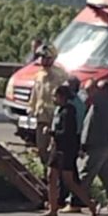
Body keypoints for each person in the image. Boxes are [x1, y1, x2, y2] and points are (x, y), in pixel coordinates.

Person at [40, 86, 96, 216]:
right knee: (51, 176)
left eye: (55, 96)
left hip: (67, 150)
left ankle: (90, 204)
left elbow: (67, 133)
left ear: (62, 96)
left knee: (69, 181)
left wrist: (50, 132)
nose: (54, 99)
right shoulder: (59, 110)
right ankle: (53, 209)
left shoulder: (69, 112)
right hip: (57, 148)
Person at [79, 80, 108, 210]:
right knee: (105, 174)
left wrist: (83, 144)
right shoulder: (107, 104)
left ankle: (75, 200)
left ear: (104, 91)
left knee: (87, 173)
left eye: (97, 88)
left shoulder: (100, 103)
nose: (93, 92)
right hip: (105, 144)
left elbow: (90, 127)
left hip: (98, 145)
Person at [28, 44, 68, 176]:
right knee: (41, 147)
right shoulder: (39, 75)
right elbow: (35, 93)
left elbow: (64, 96)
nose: (43, 61)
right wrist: (31, 108)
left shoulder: (60, 75)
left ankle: (55, 175)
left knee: (54, 148)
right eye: (41, 58)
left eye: (46, 58)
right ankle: (46, 171)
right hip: (41, 116)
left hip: (54, 117)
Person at [59, 76, 87, 213]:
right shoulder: (77, 103)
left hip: (69, 139)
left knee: (70, 172)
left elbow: (72, 126)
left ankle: (77, 200)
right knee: (64, 170)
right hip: (72, 138)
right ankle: (61, 199)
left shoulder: (72, 105)